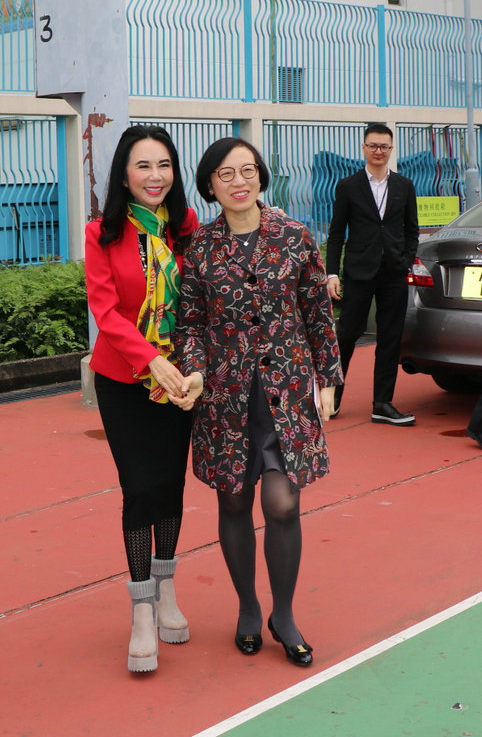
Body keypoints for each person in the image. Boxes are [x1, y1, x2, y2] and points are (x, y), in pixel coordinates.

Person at [170, 136, 343, 666]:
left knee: (282, 503)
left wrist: (328, 379)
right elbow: (190, 324)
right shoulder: (201, 248)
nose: (239, 182)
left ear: (261, 176)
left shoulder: (294, 236)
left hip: (286, 392)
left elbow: (317, 312)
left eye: (247, 170)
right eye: (226, 174)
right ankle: (248, 606)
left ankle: (283, 614)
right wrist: (193, 370)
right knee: (234, 501)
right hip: (225, 397)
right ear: (209, 186)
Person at [85, 125, 199, 673]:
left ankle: (167, 588)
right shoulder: (102, 233)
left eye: (164, 165)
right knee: (139, 488)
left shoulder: (185, 227)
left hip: (181, 382)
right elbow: (105, 311)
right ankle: (141, 610)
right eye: (143, 166)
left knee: (171, 485)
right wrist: (151, 359)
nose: (156, 177)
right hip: (125, 378)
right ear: (124, 175)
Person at [326, 123, 419, 426]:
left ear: (391, 150)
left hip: (393, 272)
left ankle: (382, 404)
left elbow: (412, 230)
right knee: (347, 334)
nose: (379, 151)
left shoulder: (404, 185)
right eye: (373, 145)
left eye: (384, 146)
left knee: (390, 338)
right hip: (359, 271)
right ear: (364, 148)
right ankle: (332, 396)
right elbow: (336, 233)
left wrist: (405, 261)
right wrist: (331, 273)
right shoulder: (348, 186)